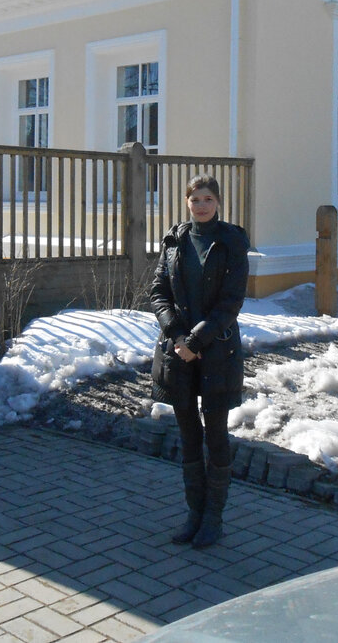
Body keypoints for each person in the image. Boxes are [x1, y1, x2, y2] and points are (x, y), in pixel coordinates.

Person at [149, 174, 250, 548]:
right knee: (189, 436)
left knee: (216, 434)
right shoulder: (174, 240)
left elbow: (232, 301)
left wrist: (196, 340)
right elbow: (158, 292)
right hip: (179, 355)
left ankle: (214, 518)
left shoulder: (231, 242)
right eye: (195, 200)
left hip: (217, 351)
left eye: (208, 199)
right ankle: (194, 513)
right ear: (187, 202)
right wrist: (178, 337)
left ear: (218, 202)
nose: (201, 205)